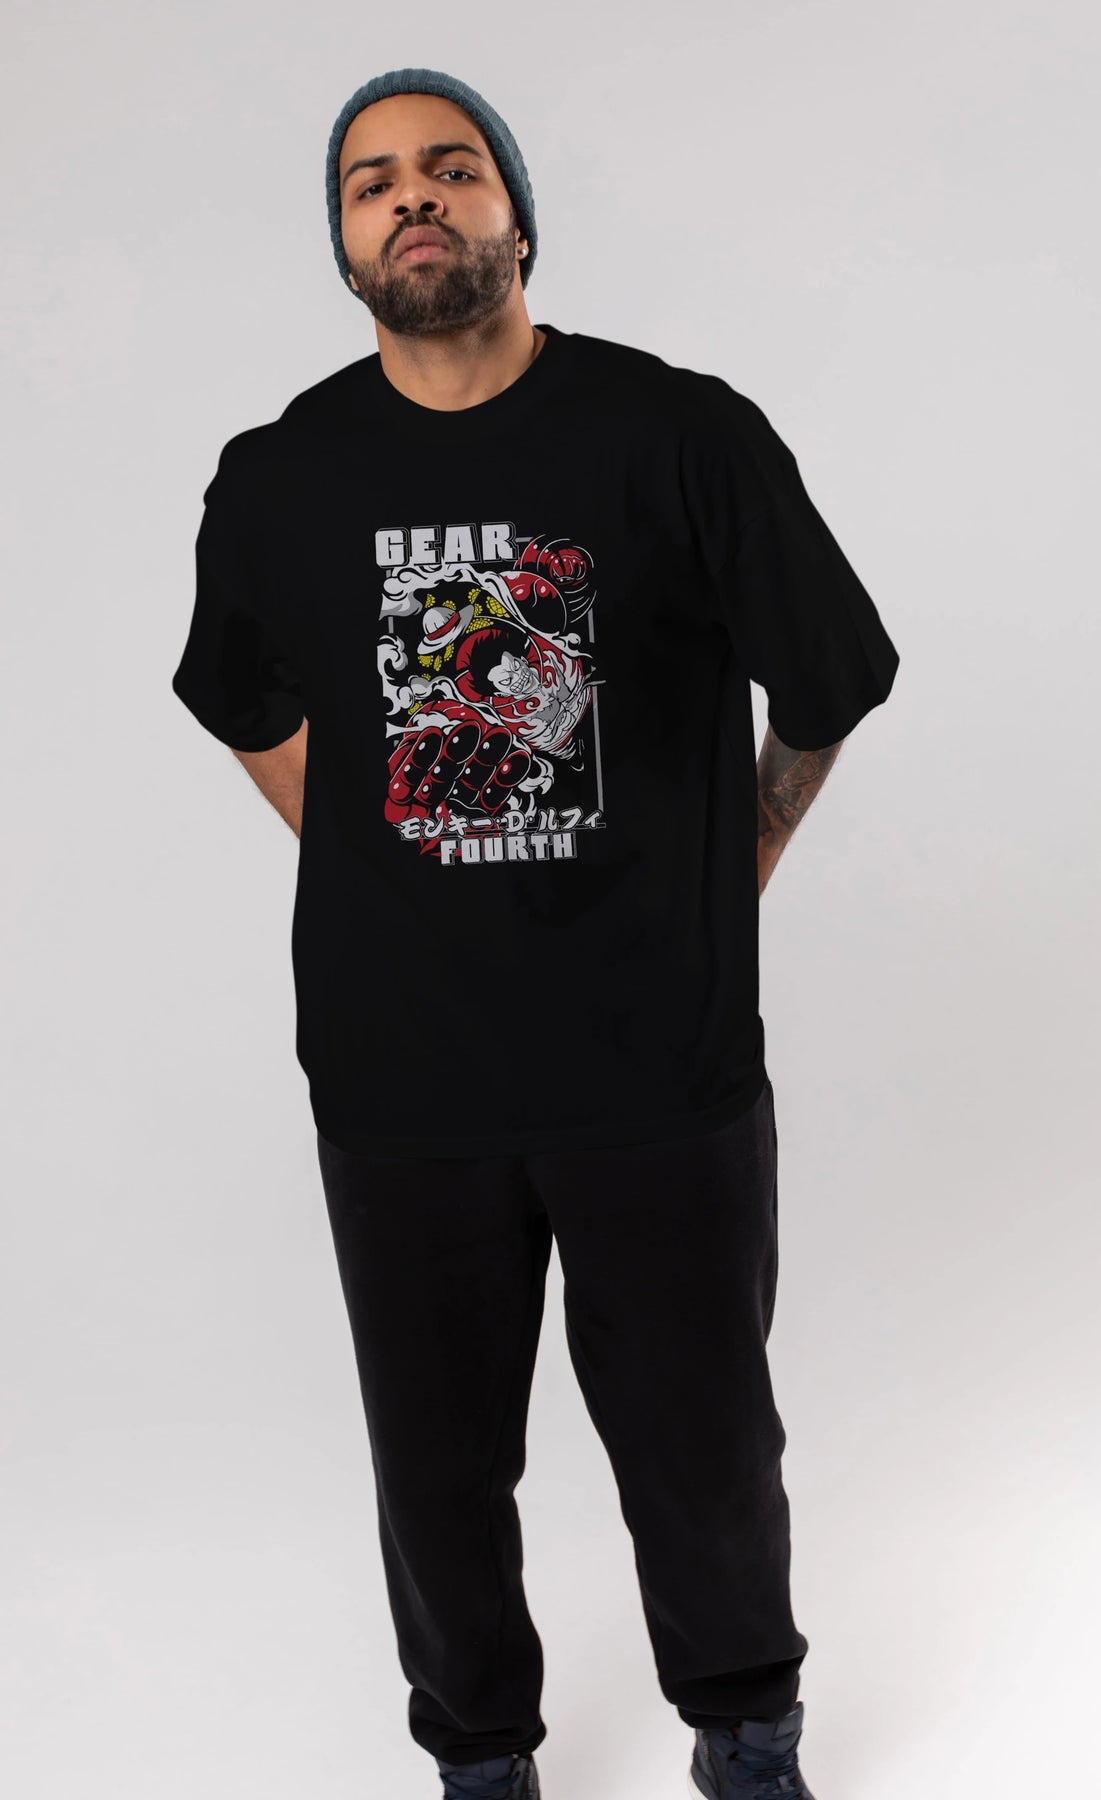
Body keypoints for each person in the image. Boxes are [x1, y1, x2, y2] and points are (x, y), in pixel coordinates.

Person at [170, 65, 899, 1800]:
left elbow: (829, 676)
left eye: (452, 167)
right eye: (372, 183)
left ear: (516, 214)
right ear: (345, 243)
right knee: (435, 1470)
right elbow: (244, 701)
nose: (413, 197)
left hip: (659, 1059)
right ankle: (480, 1757)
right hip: (402, 1074)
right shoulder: (279, 476)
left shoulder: (680, 436)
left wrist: (745, 855)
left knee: (704, 1443)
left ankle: (747, 1730)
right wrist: (386, 855)